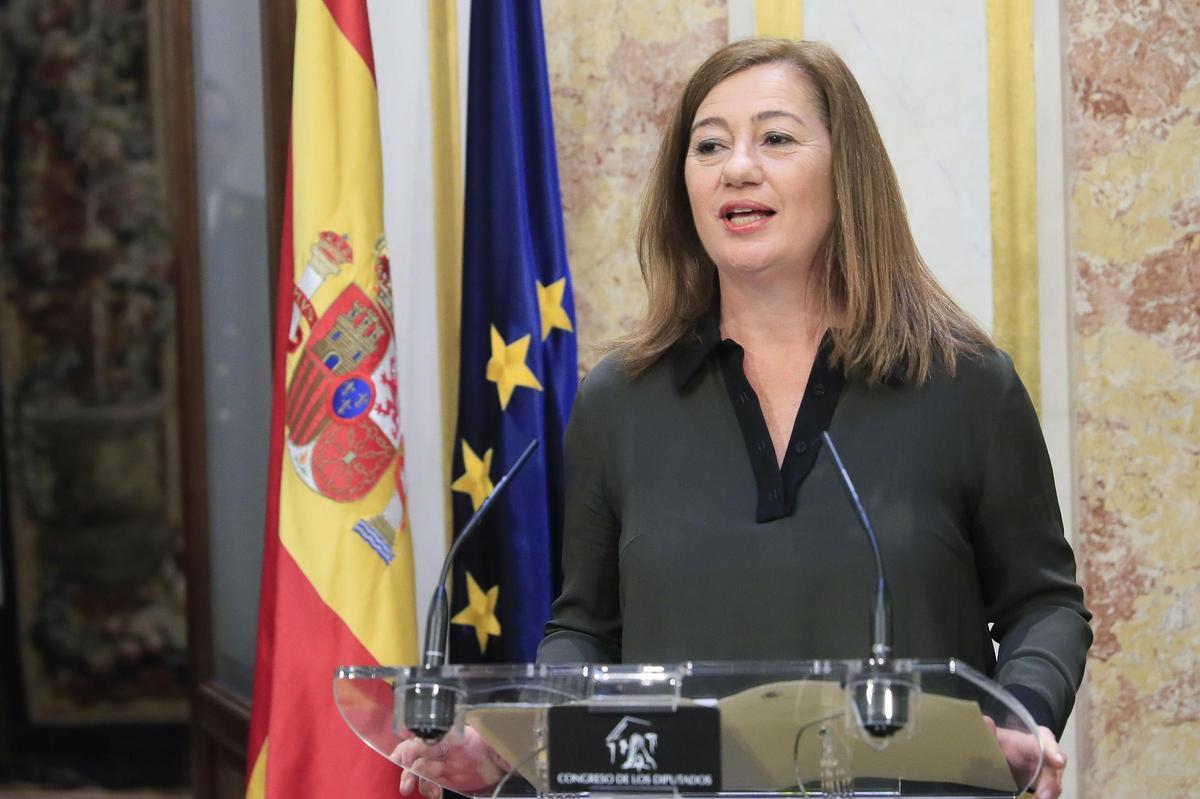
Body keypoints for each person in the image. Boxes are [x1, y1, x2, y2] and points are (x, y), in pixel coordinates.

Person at [398, 38, 1091, 799]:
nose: (736, 167)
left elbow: (1043, 604)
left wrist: (1021, 715)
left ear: (846, 171)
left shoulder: (963, 384)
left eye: (776, 138)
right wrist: (524, 742)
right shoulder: (619, 401)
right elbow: (586, 632)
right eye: (709, 145)